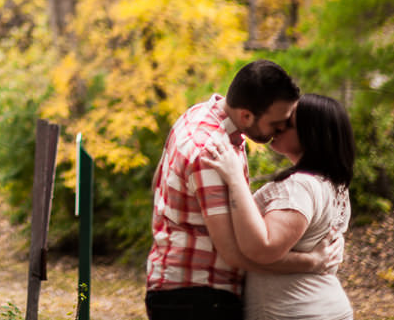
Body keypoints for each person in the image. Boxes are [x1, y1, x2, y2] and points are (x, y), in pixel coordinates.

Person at [146, 59, 333, 320]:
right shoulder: (210, 152)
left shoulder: (200, 115)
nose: (282, 129)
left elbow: (159, 181)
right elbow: (234, 253)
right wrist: (313, 261)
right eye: (277, 122)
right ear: (246, 115)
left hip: (184, 292)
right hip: (197, 298)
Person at [202, 94, 355, 320]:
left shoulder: (299, 187)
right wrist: (313, 261)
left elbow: (264, 248)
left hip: (296, 311)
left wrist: (234, 177)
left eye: (288, 123)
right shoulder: (333, 185)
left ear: (311, 134)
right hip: (319, 306)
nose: (278, 126)